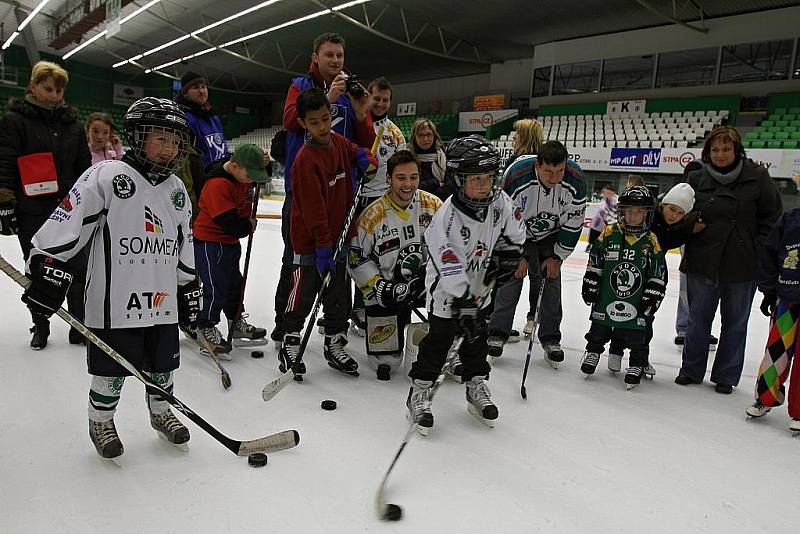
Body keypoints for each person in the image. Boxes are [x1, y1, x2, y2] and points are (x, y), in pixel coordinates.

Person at [20, 97, 199, 459]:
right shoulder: (107, 175)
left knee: (163, 366)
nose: (169, 148)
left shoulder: (178, 191)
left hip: (162, 302)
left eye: (175, 140)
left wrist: (188, 283)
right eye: (159, 138)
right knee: (111, 369)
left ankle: (162, 412)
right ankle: (101, 418)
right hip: (115, 301)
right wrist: (47, 264)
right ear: (136, 135)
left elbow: (183, 243)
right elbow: (68, 221)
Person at [406, 135, 525, 433]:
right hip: (448, 291)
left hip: (481, 287)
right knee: (441, 339)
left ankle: (475, 385)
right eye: (476, 179)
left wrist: (508, 255)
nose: (485, 185)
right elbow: (449, 268)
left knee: (476, 340)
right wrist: (463, 302)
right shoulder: (445, 220)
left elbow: (517, 232)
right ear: (458, 180)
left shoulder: (501, 202)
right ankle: (419, 392)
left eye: (488, 177)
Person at [272, 32, 375, 350]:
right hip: (303, 191)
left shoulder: (352, 91)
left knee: (338, 264)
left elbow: (365, 137)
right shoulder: (301, 86)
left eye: (339, 55)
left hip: (341, 193)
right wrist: (328, 97)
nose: (335, 61)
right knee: (297, 260)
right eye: (329, 55)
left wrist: (360, 113)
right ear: (315, 57)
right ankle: (285, 326)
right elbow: (291, 121)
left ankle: (335, 329)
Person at [676, 126, 782, 393]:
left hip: (742, 265)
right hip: (703, 261)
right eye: (715, 149)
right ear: (707, 152)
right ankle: (691, 369)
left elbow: (771, 219)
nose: (721, 154)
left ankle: (726, 375)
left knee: (735, 323)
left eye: (726, 149)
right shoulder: (697, 178)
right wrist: (690, 226)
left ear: (737, 150)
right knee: (697, 321)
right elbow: (679, 214)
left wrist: (757, 251)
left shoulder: (757, 177)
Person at [0, 60, 91, 349]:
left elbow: (84, 168)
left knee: (78, 268)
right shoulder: (15, 121)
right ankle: (41, 323)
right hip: (32, 210)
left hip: (68, 210)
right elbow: (4, 163)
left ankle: (78, 324)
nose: (54, 95)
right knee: (38, 270)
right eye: (47, 88)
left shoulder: (74, 125)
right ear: (33, 86)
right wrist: (5, 202)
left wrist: (89, 203)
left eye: (58, 90)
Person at [485, 141, 587, 365]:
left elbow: (574, 222)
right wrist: (516, 256)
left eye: (559, 170)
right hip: (518, 235)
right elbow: (503, 220)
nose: (554, 177)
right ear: (538, 166)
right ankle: (497, 333)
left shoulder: (576, 178)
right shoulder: (516, 175)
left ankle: (551, 338)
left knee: (551, 282)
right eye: (549, 171)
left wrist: (557, 257)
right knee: (511, 280)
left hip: (552, 237)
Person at [348, 150, 441, 380]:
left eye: (413, 177)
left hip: (426, 285)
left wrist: (435, 277)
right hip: (388, 291)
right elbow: (355, 257)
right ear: (388, 178)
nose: (408, 184)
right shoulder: (373, 214)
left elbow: (451, 248)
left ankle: (446, 348)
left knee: (455, 299)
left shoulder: (434, 206)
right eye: (401, 178)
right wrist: (378, 286)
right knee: (385, 360)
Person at [606, 182, 702, 374]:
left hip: (652, 277)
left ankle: (640, 359)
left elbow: (671, 239)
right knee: (622, 314)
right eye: (671, 209)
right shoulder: (648, 218)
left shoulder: (675, 227)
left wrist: (690, 229)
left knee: (645, 319)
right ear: (662, 205)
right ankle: (615, 352)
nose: (673, 216)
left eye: (680, 213)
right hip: (630, 272)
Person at [579, 186, 667, 389]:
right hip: (607, 295)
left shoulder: (651, 240)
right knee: (599, 327)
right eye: (629, 210)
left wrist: (654, 292)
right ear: (622, 211)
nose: (633, 215)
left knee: (637, 334)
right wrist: (591, 280)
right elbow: (595, 260)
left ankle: (636, 363)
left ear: (646, 213)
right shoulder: (609, 233)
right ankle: (592, 352)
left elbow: (657, 270)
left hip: (636, 299)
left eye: (638, 211)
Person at [192, 143, 269, 355]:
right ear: (234, 166)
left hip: (229, 243)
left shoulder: (241, 175)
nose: (253, 181)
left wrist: (265, 165)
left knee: (235, 284)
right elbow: (228, 222)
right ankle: (205, 326)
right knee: (216, 287)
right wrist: (247, 225)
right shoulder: (217, 184)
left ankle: (235, 324)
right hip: (211, 243)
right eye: (250, 176)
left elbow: (260, 175)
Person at [349, 76, 407, 336]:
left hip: (379, 202)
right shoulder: (354, 121)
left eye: (386, 100)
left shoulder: (395, 133)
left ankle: (364, 306)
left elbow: (401, 169)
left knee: (374, 256)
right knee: (349, 254)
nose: (381, 103)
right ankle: (339, 309)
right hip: (352, 197)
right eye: (377, 98)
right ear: (368, 97)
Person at [746, 183, 800, 433]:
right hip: (787, 298)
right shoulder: (789, 220)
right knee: (776, 351)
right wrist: (768, 291)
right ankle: (765, 398)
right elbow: (768, 255)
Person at [403, 118, 447, 198]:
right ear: (414, 138)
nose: (425, 139)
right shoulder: (407, 158)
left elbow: (450, 185)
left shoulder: (443, 155)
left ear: (434, 136)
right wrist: (436, 183)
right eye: (421, 135)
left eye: (429, 135)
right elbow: (409, 185)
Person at [585, 183, 617, 252]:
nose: (604, 193)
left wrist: (609, 222)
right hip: (598, 222)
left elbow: (613, 211)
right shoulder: (605, 201)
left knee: (600, 236)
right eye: (603, 192)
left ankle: (595, 246)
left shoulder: (615, 200)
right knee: (594, 235)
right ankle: (591, 245)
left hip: (605, 223)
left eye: (605, 191)